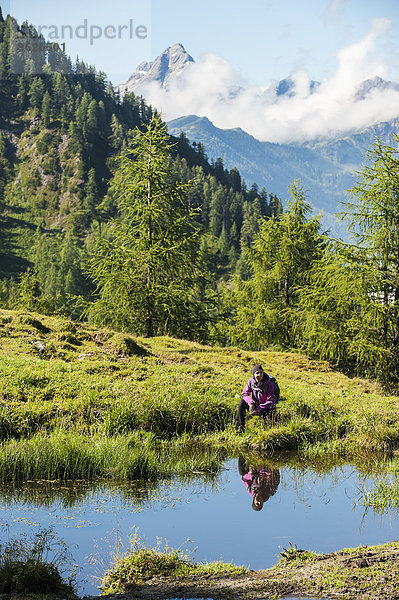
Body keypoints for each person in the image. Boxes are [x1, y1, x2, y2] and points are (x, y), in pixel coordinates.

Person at [237, 364, 279, 433]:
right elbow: (244, 393)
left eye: (261, 372)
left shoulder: (269, 384)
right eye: (257, 373)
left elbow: (270, 401)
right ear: (254, 374)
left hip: (266, 408)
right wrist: (251, 403)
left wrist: (258, 409)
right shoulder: (251, 381)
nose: (260, 375)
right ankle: (241, 427)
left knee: (269, 426)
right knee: (242, 402)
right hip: (255, 405)